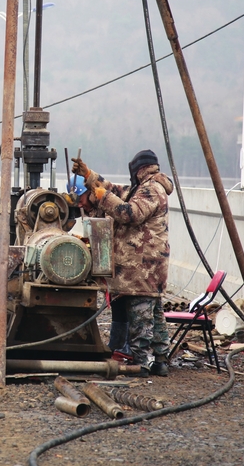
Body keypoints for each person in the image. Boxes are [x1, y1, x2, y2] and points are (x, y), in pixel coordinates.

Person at [72, 149, 174, 376]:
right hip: (145, 268)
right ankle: (160, 360)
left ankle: (142, 363)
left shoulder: (151, 190)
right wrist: (89, 175)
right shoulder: (143, 187)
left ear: (138, 169)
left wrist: (102, 198)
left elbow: (129, 213)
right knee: (153, 314)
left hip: (143, 268)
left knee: (141, 317)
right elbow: (115, 190)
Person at [66, 174, 132, 363]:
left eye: (81, 199)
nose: (80, 205)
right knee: (118, 303)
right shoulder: (90, 209)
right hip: (111, 262)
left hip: (127, 261)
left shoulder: (111, 200)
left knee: (129, 303)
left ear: (91, 192)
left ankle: (130, 347)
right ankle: (117, 344)